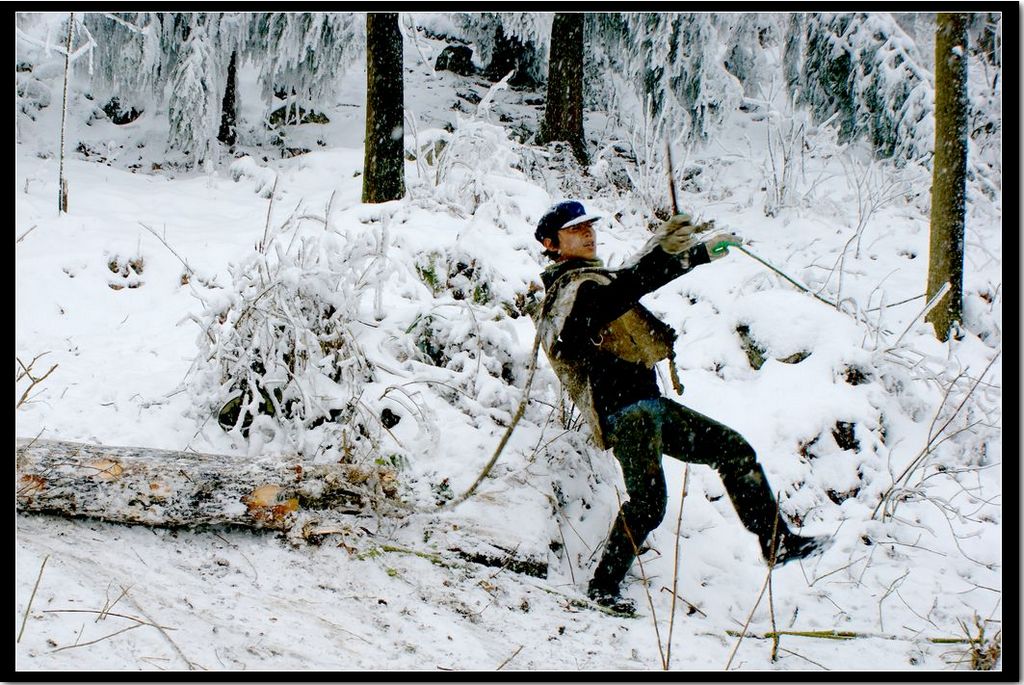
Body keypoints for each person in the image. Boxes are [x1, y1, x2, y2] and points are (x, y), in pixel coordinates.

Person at [533, 200, 825, 610]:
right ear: (551, 243)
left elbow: (628, 275)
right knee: (650, 504)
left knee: (732, 449)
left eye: (589, 225)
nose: (588, 232)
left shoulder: (593, 279)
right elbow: (627, 287)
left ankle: (775, 541)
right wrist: (694, 255)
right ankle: (602, 586)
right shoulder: (570, 294)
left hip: (649, 406)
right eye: (574, 228)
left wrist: (665, 244)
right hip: (625, 414)